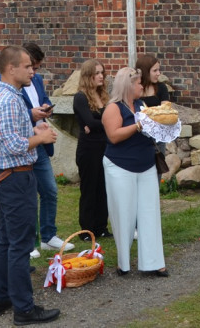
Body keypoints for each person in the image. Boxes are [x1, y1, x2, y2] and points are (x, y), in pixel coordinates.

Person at [0, 46, 60, 324]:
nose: (33, 71)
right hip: (13, 177)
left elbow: (14, 133)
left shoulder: (10, 95)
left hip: (7, 176)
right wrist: (40, 139)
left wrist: (34, 129)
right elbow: (13, 144)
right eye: (28, 66)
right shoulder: (6, 99)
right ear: (11, 69)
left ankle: (1, 298)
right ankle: (24, 309)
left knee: (6, 238)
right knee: (20, 244)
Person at [102, 67, 168, 276]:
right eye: (139, 83)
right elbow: (114, 135)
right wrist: (138, 126)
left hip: (146, 163)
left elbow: (151, 127)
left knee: (150, 212)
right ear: (128, 85)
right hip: (120, 165)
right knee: (124, 213)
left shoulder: (141, 104)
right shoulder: (113, 108)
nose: (142, 86)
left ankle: (155, 262)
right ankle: (124, 263)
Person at [72, 59, 111, 240]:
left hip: (105, 146)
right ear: (88, 76)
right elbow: (89, 122)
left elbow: (98, 123)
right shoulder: (80, 97)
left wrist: (97, 125)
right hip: (89, 149)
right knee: (89, 189)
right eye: (97, 73)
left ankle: (101, 227)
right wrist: (102, 124)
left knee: (103, 188)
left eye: (102, 72)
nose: (101, 76)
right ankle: (86, 229)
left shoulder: (103, 96)